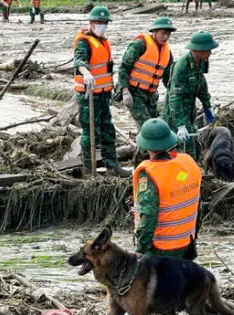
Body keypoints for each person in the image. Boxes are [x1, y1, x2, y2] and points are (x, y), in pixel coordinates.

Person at [73, 6, 131, 178]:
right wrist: (86, 73)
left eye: (105, 23)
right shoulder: (84, 41)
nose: (102, 26)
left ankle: (112, 166)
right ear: (91, 23)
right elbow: (79, 62)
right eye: (99, 22)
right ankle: (89, 171)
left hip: (104, 95)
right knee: (90, 133)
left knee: (107, 130)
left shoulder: (103, 41)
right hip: (89, 95)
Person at [132, 118, 201, 259]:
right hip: (186, 243)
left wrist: (140, 250)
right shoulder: (187, 164)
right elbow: (194, 203)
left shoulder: (150, 174)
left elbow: (148, 216)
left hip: (161, 249)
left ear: (145, 145)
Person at [161, 30, 218, 161]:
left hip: (189, 110)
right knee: (184, 149)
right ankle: (181, 178)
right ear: (198, 50)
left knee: (195, 147)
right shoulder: (181, 67)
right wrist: (180, 125)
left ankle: (192, 174)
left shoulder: (201, 61)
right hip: (176, 113)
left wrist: (207, 107)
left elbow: (201, 85)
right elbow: (175, 99)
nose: (210, 53)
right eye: (208, 50)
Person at [118, 17, 176, 132]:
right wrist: (125, 91)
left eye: (168, 34)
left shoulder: (167, 52)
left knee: (153, 125)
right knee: (147, 128)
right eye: (163, 33)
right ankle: (146, 150)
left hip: (151, 96)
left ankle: (144, 149)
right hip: (134, 93)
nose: (166, 37)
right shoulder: (139, 45)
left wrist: (175, 94)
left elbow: (168, 77)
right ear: (154, 31)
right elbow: (124, 68)